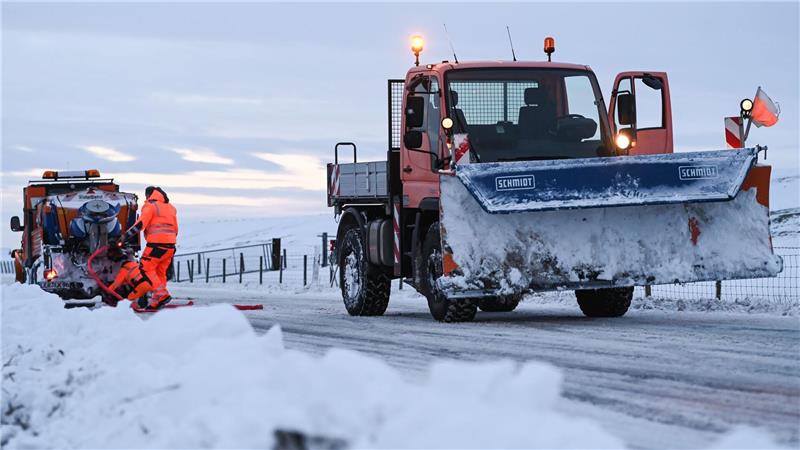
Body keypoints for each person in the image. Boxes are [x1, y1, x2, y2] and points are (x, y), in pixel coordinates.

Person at [122, 186, 178, 309]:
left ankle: (162, 295)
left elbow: (141, 224)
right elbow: (176, 228)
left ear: (149, 195)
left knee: (144, 269)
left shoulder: (150, 206)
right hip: (170, 246)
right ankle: (156, 301)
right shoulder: (171, 208)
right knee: (159, 273)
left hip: (156, 245)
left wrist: (125, 237)